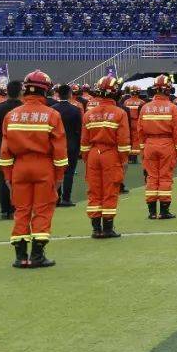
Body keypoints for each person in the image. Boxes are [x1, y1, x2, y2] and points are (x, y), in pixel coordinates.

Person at [0, 70, 67, 269]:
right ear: (45, 91)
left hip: (19, 167)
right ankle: (37, 255)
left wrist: (8, 176)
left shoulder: (11, 116)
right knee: (43, 209)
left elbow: (5, 152)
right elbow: (60, 151)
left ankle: (21, 257)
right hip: (44, 167)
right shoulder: (52, 115)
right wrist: (59, 176)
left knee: (21, 210)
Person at [79, 76, 131, 238]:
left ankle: (96, 228)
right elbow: (123, 141)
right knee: (110, 189)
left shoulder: (89, 114)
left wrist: (88, 158)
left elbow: (84, 142)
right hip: (111, 154)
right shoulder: (119, 113)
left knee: (94, 190)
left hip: (93, 154)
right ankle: (107, 228)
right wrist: (124, 161)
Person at [137, 75, 177, 220]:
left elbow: (140, 131)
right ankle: (164, 211)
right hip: (167, 145)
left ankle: (152, 212)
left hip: (149, 145)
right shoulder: (173, 108)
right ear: (168, 90)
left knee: (151, 177)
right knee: (165, 177)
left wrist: (142, 149)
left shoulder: (145, 108)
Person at [0, 80, 23, 219]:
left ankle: (5, 209)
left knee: (4, 179)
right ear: (20, 92)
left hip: (4, 149)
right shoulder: (23, 108)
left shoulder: (0, 108)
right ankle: (16, 207)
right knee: (20, 180)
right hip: (21, 150)